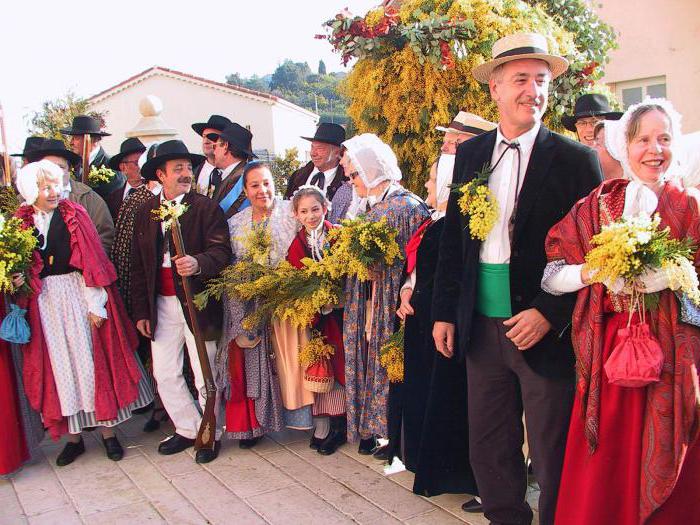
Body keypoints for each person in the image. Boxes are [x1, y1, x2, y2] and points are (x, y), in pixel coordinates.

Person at [431, 32, 602, 525]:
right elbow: (454, 244)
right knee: (489, 442)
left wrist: (550, 314)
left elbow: (596, 254)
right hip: (480, 325)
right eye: (521, 79)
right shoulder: (470, 155)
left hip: (543, 327)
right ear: (496, 90)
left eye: (541, 80)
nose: (533, 90)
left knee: (551, 450)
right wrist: (445, 311)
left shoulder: (575, 160)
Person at [544, 99, 700, 525]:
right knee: (609, 463)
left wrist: (675, 278)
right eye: (643, 139)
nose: (655, 149)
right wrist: (594, 272)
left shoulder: (692, 208)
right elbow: (552, 274)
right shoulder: (596, 207)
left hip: (676, 357)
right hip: (609, 360)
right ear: (624, 146)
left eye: (664, 138)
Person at [13, 160, 153, 466]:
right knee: (60, 367)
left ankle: (108, 433)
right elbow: (20, 264)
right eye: (43, 187)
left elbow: (91, 260)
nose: (52, 191)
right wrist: (18, 278)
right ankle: (74, 438)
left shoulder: (74, 214)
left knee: (90, 362)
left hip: (77, 294)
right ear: (30, 191)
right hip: (44, 303)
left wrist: (95, 304)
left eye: (53, 184)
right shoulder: (20, 222)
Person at [396, 113, 495, 510]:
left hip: (464, 317)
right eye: (448, 141)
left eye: (454, 140)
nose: (447, 145)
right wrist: (407, 288)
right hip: (432, 314)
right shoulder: (440, 212)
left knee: (471, 403)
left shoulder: (476, 199)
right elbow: (425, 264)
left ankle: (483, 481)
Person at [130, 140, 231, 464]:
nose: (186, 174)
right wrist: (142, 312)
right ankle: (188, 427)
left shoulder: (205, 208)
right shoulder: (144, 211)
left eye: (189, 168)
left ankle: (211, 431)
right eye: (179, 170)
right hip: (160, 305)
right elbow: (137, 266)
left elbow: (222, 253)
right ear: (160, 174)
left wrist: (198, 262)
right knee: (165, 373)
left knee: (205, 373)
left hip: (196, 303)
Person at [340, 133, 430, 455]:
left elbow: (415, 258)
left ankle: (395, 436)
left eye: (354, 175)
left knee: (393, 363)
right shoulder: (378, 206)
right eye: (349, 176)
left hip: (395, 298)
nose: (351, 181)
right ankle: (384, 433)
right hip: (377, 297)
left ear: (370, 172)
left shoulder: (401, 206)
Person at [219, 162, 296, 448]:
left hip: (291, 298)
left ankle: (307, 422)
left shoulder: (291, 212)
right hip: (252, 303)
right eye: (255, 185)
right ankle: (258, 425)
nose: (262, 190)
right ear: (245, 190)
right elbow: (233, 266)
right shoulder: (236, 223)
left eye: (266, 182)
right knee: (255, 362)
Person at [285, 186, 347, 455]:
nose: (311, 216)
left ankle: (343, 425)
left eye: (315, 209)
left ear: (325, 208)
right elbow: (293, 278)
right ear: (296, 215)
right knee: (322, 368)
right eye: (304, 211)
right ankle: (327, 425)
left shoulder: (339, 236)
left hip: (341, 315)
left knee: (344, 365)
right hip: (316, 317)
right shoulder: (298, 243)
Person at [27, 138, 114, 254]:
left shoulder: (89, 198)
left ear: (69, 169)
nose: (53, 171)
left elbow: (105, 237)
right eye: (48, 167)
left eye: (60, 167)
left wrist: (85, 265)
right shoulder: (25, 199)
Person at [285, 123, 353, 223]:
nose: (313, 153)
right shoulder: (297, 177)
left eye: (320, 148)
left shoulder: (349, 183)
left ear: (338, 152)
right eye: (312, 147)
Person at [60, 115, 126, 199]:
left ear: (93, 140)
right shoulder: (74, 165)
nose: (71, 143)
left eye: (76, 138)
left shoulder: (112, 170)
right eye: (71, 138)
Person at [205, 123, 256, 219]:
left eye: (215, 146)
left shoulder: (243, 178)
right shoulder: (232, 175)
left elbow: (228, 217)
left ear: (225, 146)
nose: (214, 152)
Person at [104, 138, 147, 220]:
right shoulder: (112, 199)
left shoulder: (153, 194)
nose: (142, 167)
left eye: (144, 162)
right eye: (137, 163)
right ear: (123, 167)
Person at [191, 114, 232, 196]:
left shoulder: (238, 173)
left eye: (212, 137)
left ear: (225, 143)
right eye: (204, 137)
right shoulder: (193, 172)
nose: (206, 141)